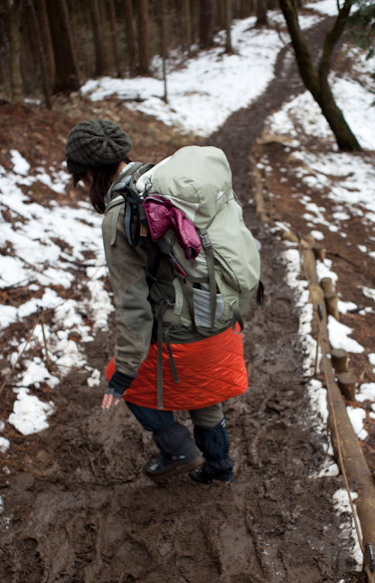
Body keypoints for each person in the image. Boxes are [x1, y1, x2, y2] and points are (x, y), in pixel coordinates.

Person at [65, 118, 255, 485]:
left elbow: (132, 305)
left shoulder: (121, 216)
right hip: (221, 315)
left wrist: (122, 374)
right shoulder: (162, 182)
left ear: (89, 173)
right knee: (205, 396)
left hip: (181, 333)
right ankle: (219, 468)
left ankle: (178, 449)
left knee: (129, 386)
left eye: (83, 179)